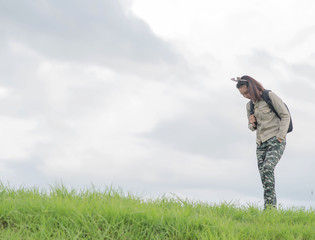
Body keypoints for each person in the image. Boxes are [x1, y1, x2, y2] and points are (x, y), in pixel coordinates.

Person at [232, 75, 290, 210]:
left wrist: (280, 137)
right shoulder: (249, 105)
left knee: (268, 168)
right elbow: (251, 127)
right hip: (260, 143)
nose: (245, 96)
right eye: (242, 94)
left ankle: (271, 208)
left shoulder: (269, 96)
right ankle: (269, 209)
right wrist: (252, 123)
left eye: (246, 92)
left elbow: (285, 115)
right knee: (264, 176)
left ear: (252, 87)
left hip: (275, 139)